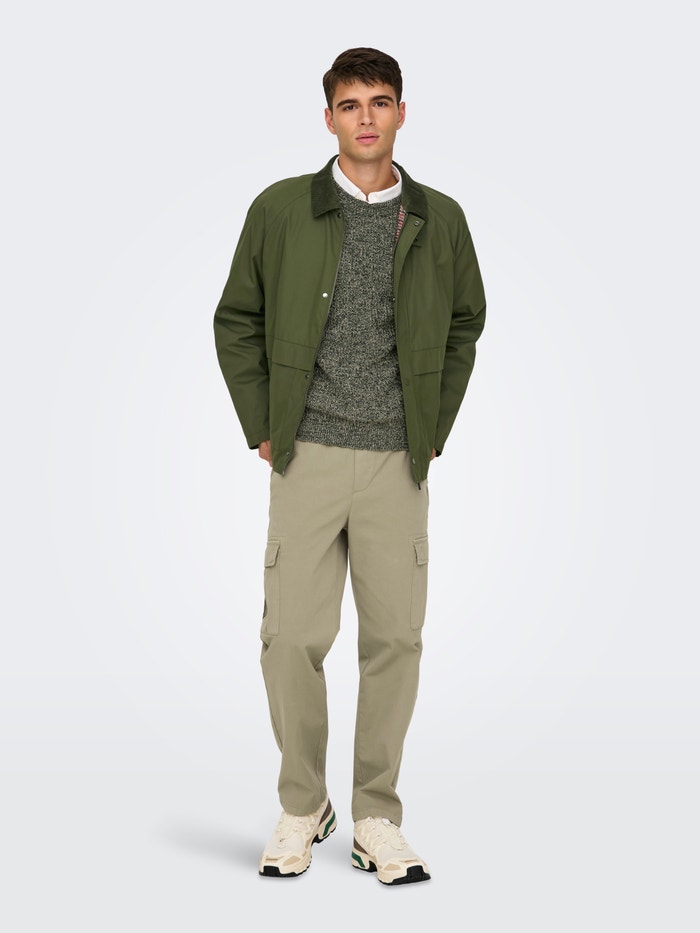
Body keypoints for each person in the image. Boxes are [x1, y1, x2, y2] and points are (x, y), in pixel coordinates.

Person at [213, 47, 486, 886]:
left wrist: (434, 426)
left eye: (380, 101)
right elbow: (237, 318)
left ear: (402, 112)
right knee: (291, 637)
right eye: (350, 103)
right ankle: (304, 804)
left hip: (399, 460)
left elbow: (465, 323)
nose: (366, 117)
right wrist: (263, 424)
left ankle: (375, 815)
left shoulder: (440, 219)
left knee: (395, 639)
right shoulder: (282, 209)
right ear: (328, 117)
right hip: (307, 454)